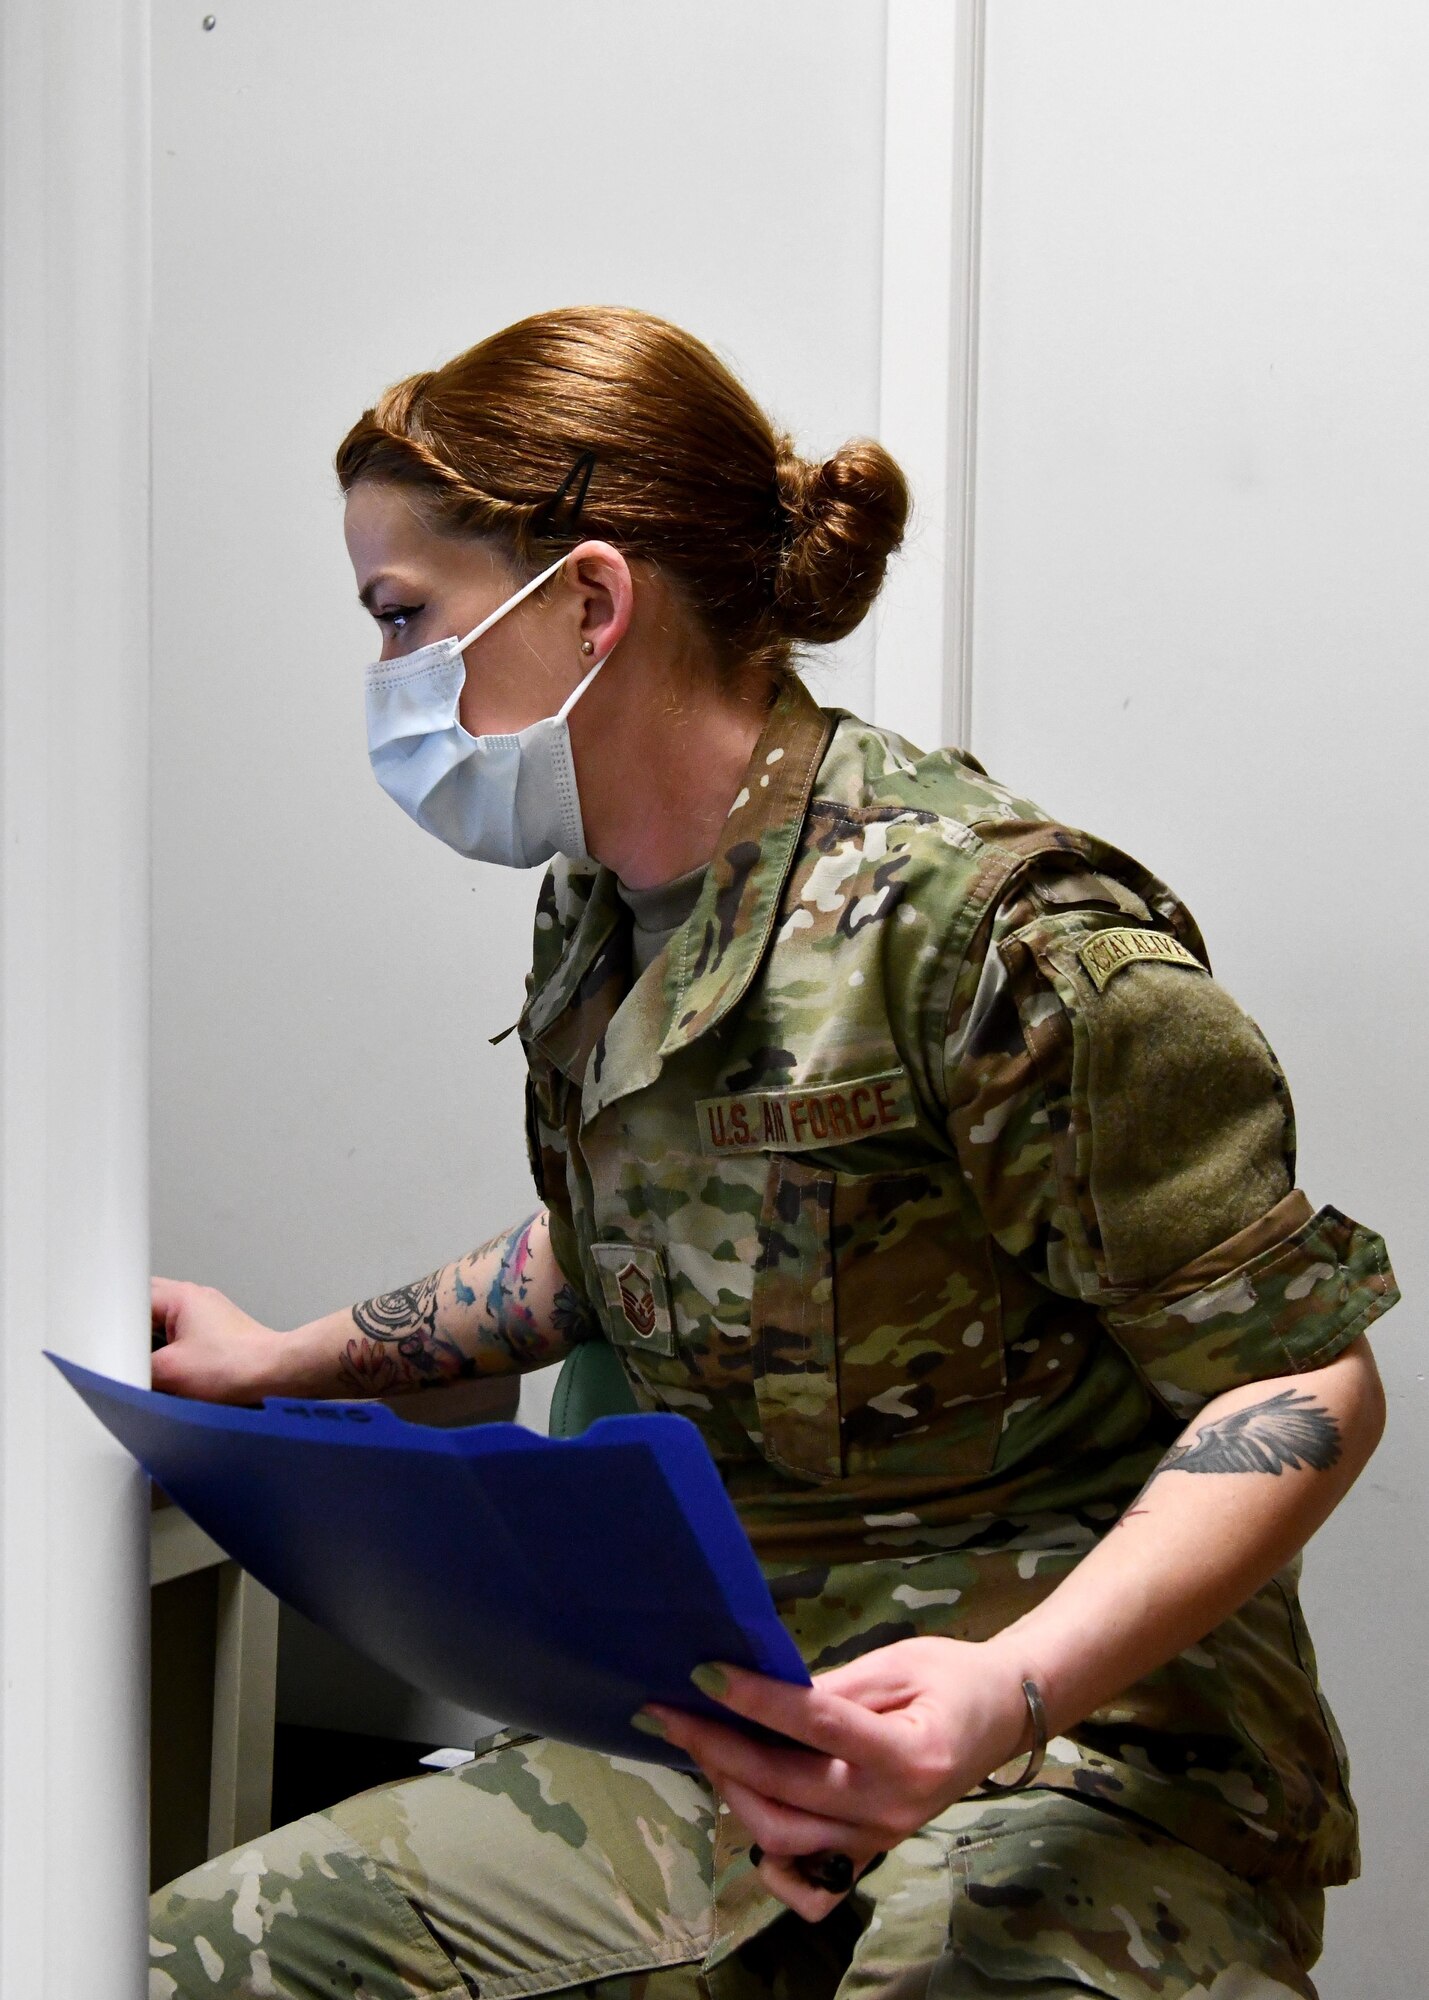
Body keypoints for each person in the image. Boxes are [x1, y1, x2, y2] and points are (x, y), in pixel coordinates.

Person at [148, 306, 1397, 2000]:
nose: (392, 688)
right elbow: (608, 1247)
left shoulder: (989, 933)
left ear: (588, 601)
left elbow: (1300, 1387)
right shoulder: (601, 906)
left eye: (404, 620)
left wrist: (1003, 1691)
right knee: (189, 1956)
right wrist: (277, 1359)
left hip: (1090, 1749)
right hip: (738, 1720)